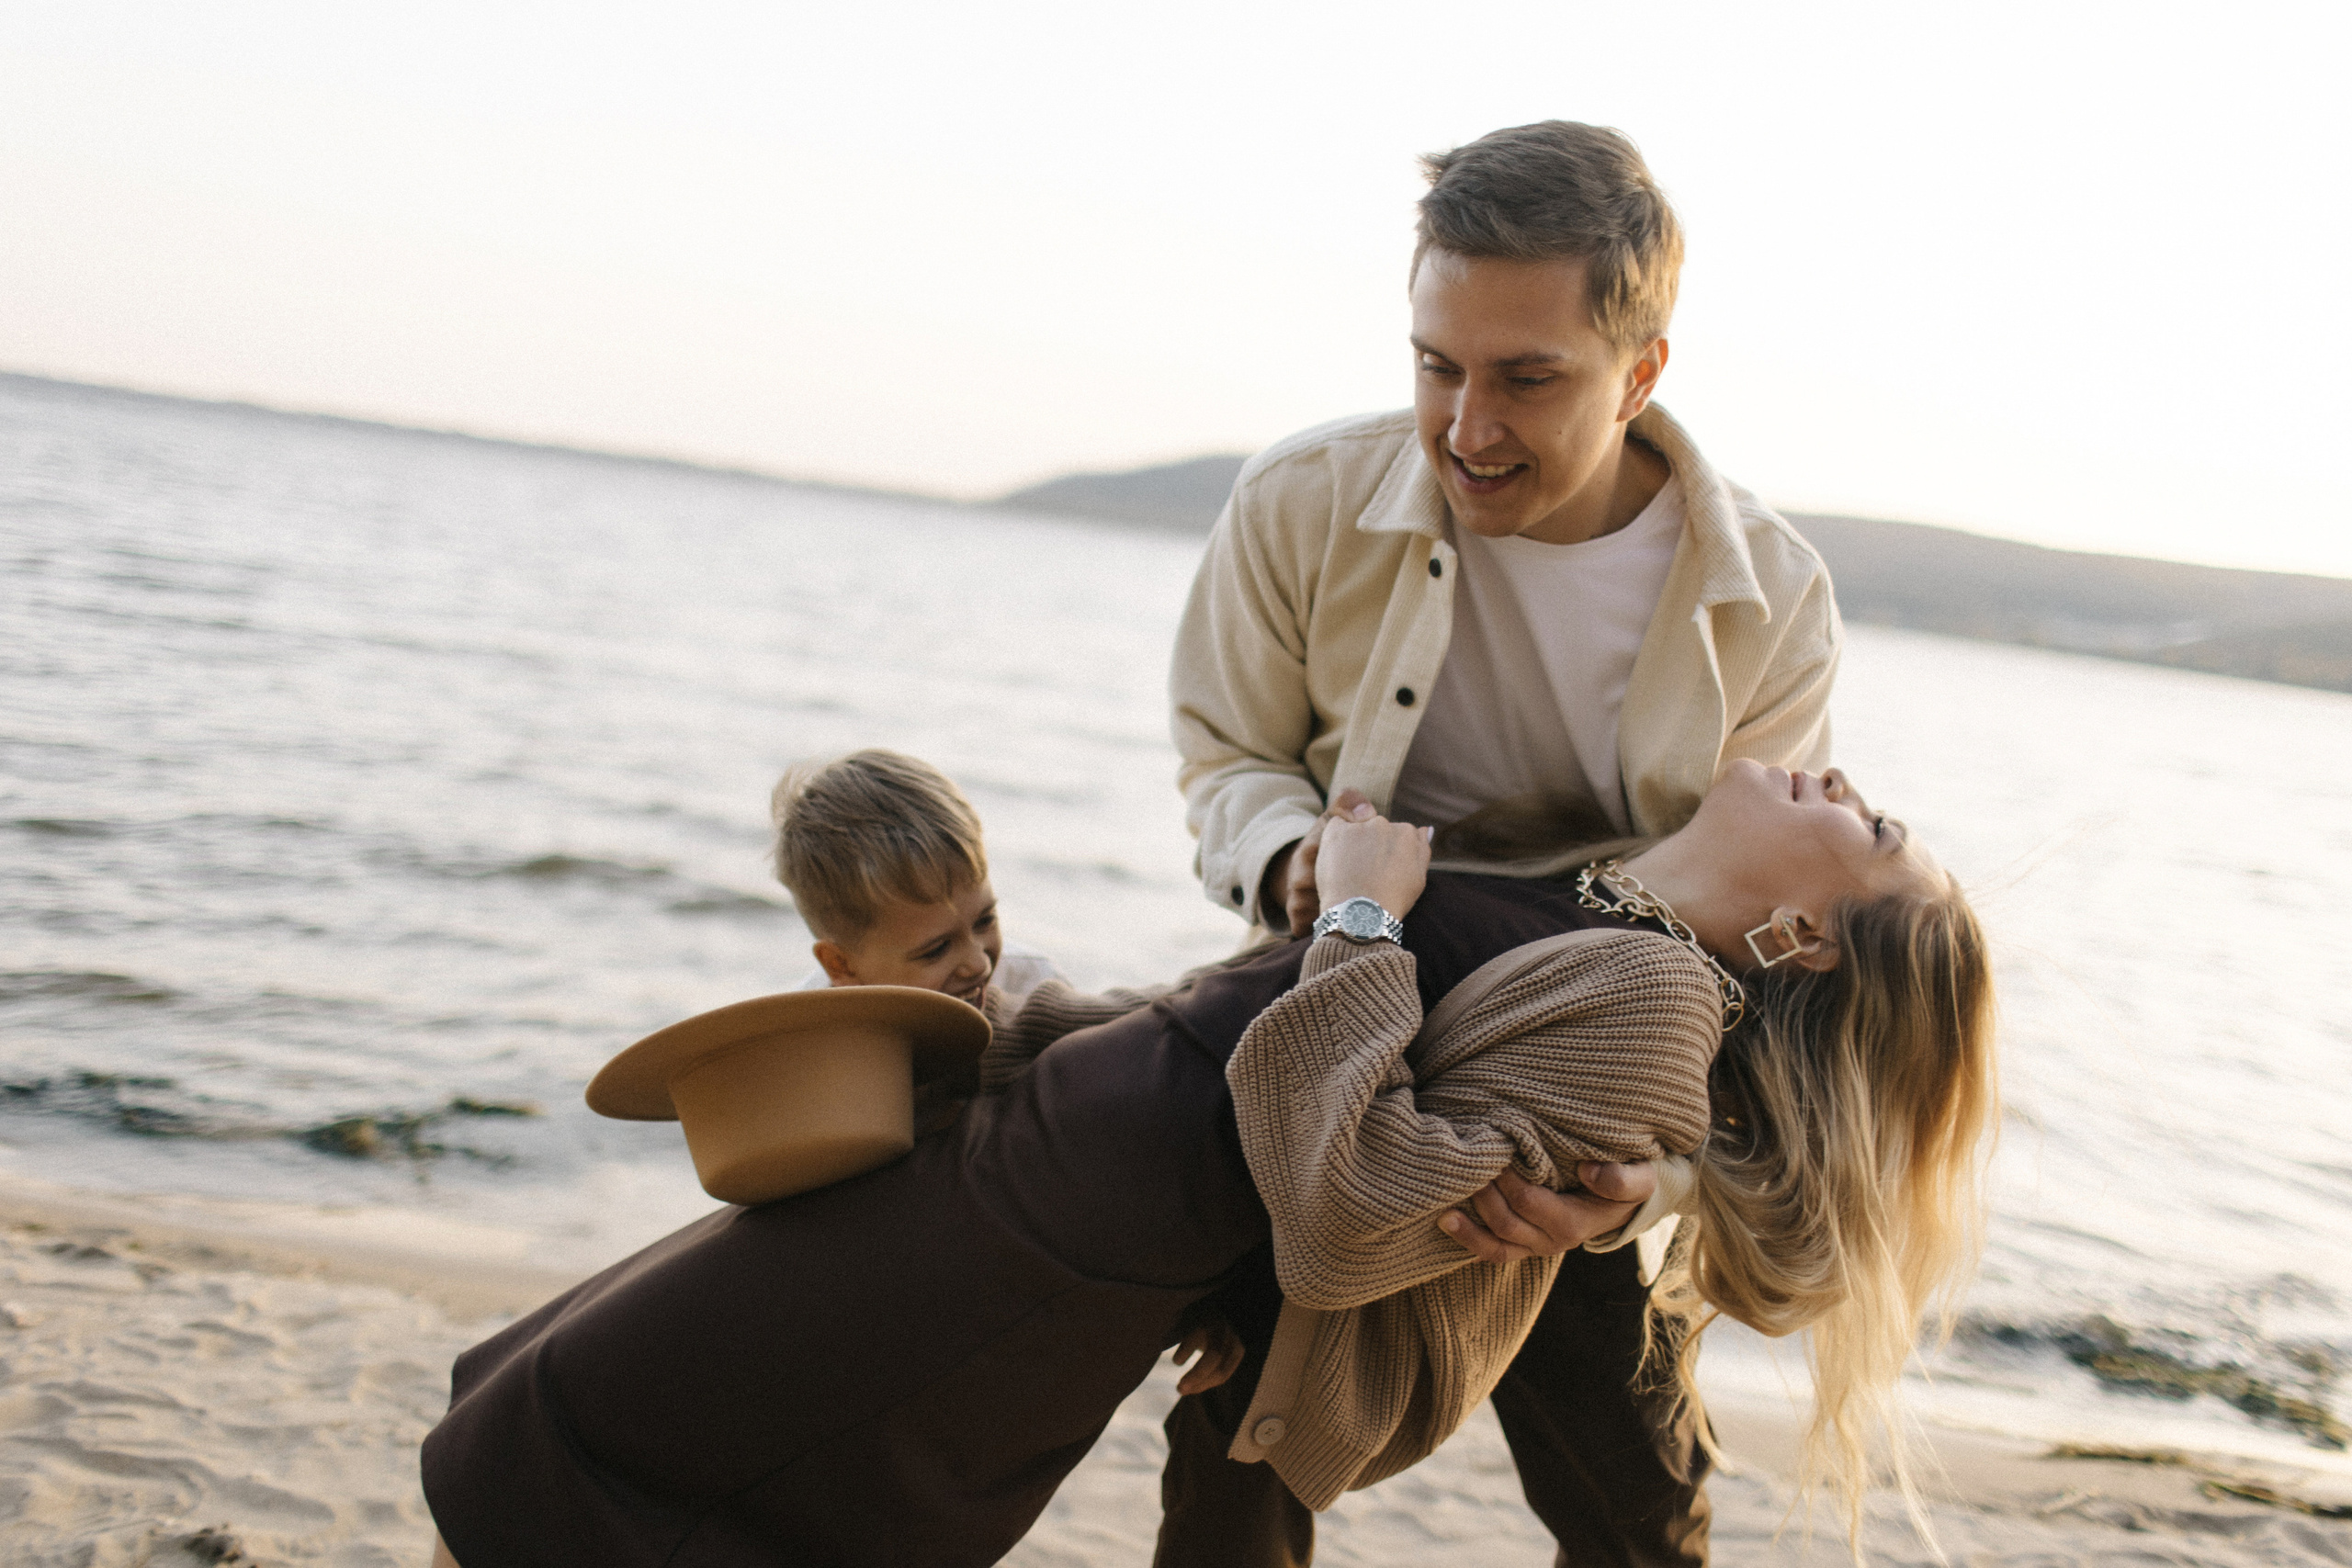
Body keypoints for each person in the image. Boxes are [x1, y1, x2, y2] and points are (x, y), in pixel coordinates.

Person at [419, 760, 1995, 1568]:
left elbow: (1348, 1206)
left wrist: (1365, 912)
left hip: (1047, 1231)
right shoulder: (1614, 918)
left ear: (1803, 938)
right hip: (1038, 1162)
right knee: (616, 1404)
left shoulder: (1656, 1000)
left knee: (625, 1433)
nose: (1842, 784)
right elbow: (1280, 1053)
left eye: (1873, 832)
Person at [1167, 120, 1843, 1564]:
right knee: (1237, 1436)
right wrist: (1299, 867)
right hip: (1336, 1007)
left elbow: (1761, 934)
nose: (1468, 425)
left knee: (1642, 1498)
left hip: (1587, 1083)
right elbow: (1226, 756)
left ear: (1642, 369)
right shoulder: (1298, 501)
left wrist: (1651, 1181)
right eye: (1436, 365)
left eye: (1528, 378)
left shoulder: (1770, 603)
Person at [775, 750, 1068, 1009]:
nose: (979, 963)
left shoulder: (1034, 988)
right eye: (937, 950)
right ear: (840, 965)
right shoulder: (808, 1039)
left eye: (985, 920)